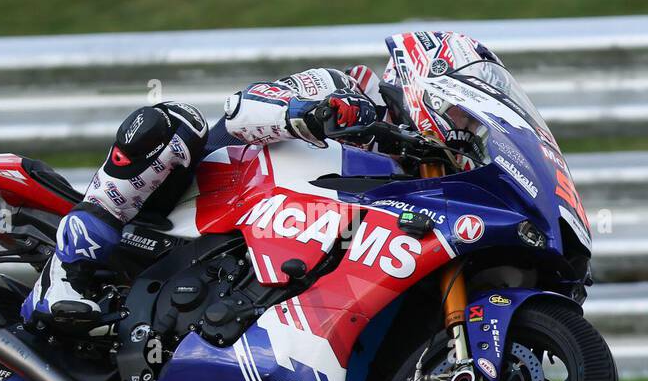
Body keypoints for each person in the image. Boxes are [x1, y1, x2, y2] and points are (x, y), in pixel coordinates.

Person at [21, 65, 386, 328]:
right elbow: (241, 109)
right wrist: (311, 112)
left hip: (291, 256)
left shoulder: (428, 178)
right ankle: (63, 275)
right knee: (175, 120)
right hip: (204, 199)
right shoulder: (347, 87)